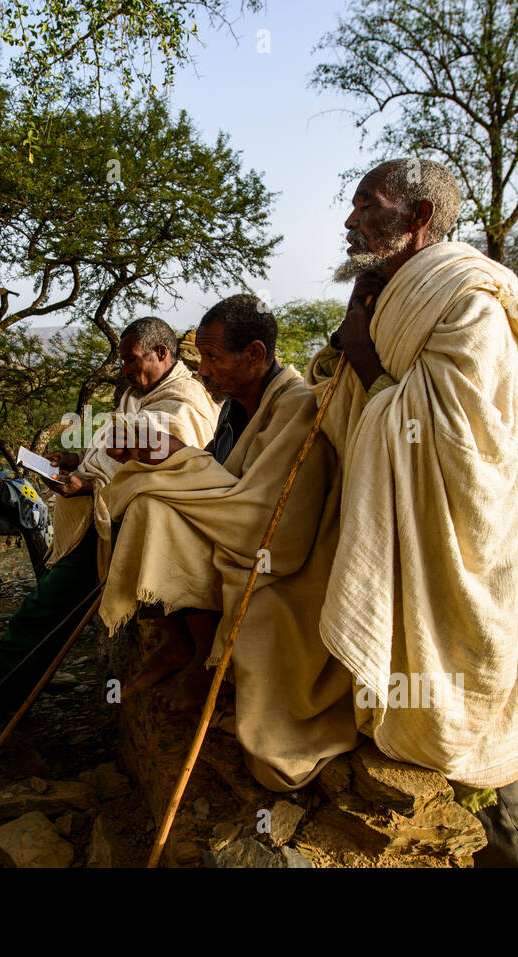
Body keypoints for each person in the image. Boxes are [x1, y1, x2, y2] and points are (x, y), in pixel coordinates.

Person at [310, 157, 518, 867]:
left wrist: (365, 359)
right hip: (407, 540)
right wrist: (348, 350)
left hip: (473, 557)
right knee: (438, 738)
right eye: (354, 203)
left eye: (370, 204)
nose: (351, 218)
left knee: (475, 734)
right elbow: (363, 408)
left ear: (419, 218)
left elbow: (463, 450)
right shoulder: (391, 296)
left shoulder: (470, 304)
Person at [0, 317, 219, 754]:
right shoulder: (140, 394)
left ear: (162, 354)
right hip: (106, 520)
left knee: (39, 614)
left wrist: (90, 483)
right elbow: (117, 456)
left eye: (132, 360)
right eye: (122, 361)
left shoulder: (184, 402)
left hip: (128, 532)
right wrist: (79, 461)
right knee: (43, 616)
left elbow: (170, 474)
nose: (125, 370)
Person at [96, 293, 374, 790]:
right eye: (200, 358)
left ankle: (209, 662)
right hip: (240, 533)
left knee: (157, 502)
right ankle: (182, 643)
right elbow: (222, 473)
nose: (202, 371)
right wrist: (170, 459)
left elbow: (274, 521)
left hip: (283, 561)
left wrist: (180, 458)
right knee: (148, 504)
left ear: (254, 356)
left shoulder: (296, 408)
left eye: (212, 358)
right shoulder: (234, 407)